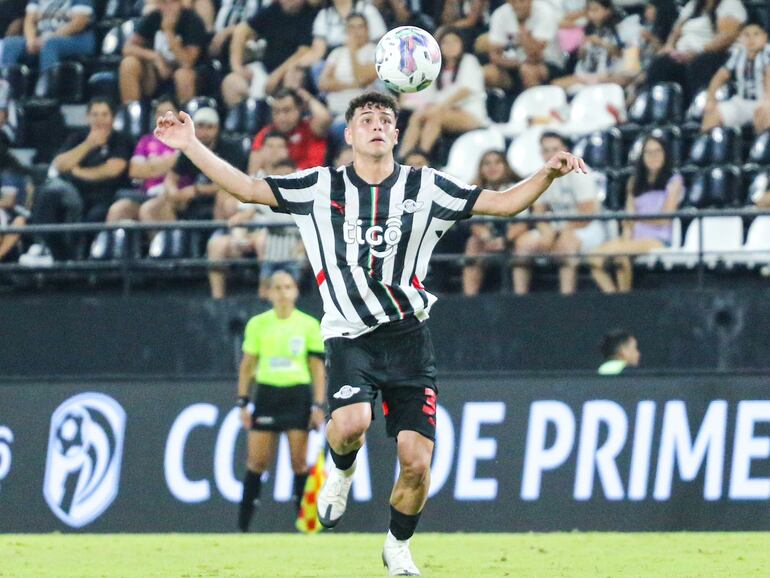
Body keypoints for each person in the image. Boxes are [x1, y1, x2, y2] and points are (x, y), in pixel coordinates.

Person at [153, 89, 587, 576]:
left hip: (409, 338)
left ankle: (397, 546)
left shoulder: (426, 187)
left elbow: (504, 204)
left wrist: (547, 174)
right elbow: (249, 189)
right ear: (350, 133)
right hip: (349, 335)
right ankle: (340, 472)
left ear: (396, 134)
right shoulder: (320, 186)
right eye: (366, 118)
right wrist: (190, 145)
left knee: (416, 461)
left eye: (384, 118)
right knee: (350, 424)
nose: (376, 124)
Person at [236, 270, 326, 531]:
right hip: (267, 394)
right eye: (278, 288)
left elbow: (317, 369)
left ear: (295, 291)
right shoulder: (258, 324)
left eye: (288, 287)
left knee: (299, 463)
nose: (283, 293)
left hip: (297, 395)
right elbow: (247, 366)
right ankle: (242, 528)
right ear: (269, 293)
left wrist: (318, 405)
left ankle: (305, 526)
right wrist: (243, 402)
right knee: (256, 463)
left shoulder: (308, 325)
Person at [30, 97, 132, 260]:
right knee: (49, 193)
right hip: (73, 191)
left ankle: (81, 260)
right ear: (87, 117)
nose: (99, 120)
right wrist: (89, 144)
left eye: (104, 114)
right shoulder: (78, 137)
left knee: (94, 215)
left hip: (106, 195)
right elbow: (59, 165)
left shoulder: (120, 140)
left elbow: (112, 170)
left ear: (113, 118)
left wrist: (78, 171)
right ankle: (43, 246)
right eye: (95, 115)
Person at [512, 131, 608, 295]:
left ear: (566, 150)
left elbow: (586, 214)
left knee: (566, 245)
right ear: (541, 153)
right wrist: (546, 232)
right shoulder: (541, 174)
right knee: (523, 244)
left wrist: (557, 233)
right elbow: (538, 212)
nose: (551, 154)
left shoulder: (579, 170)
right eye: (546, 150)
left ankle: (566, 300)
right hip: (557, 227)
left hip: (589, 228)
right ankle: (519, 299)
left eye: (555, 149)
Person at [589, 135, 683, 293]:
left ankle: (622, 299)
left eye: (657, 152)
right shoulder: (634, 182)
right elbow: (629, 217)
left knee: (617, 253)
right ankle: (617, 299)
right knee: (596, 260)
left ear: (665, 155)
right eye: (648, 152)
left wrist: (637, 218)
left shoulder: (674, 181)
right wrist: (626, 234)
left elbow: (665, 218)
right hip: (634, 237)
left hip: (658, 238)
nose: (653, 156)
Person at [208, 158, 305, 300]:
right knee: (216, 244)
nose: (284, 179)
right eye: (280, 175)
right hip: (252, 233)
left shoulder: (303, 196)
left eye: (288, 175)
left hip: (285, 242)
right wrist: (239, 231)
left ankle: (268, 293)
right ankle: (218, 299)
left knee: (262, 240)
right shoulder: (260, 190)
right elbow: (242, 215)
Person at [140, 107, 245, 225]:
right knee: (152, 208)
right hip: (194, 199)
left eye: (210, 127)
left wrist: (197, 190)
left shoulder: (231, 149)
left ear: (217, 128)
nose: (205, 132)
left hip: (221, 196)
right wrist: (174, 193)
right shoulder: (190, 148)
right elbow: (171, 177)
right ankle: (173, 235)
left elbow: (234, 183)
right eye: (200, 126)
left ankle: (218, 233)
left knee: (223, 196)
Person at [398, 27, 488, 160]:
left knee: (435, 116)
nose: (450, 46)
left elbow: (465, 91)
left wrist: (439, 107)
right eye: (446, 43)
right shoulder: (436, 68)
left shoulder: (469, 60)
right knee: (417, 116)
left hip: (470, 113)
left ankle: (422, 155)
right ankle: (403, 156)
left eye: (454, 42)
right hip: (441, 111)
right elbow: (428, 97)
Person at [645, 0, 747, 105]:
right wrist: (669, 47)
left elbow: (726, 37)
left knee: (700, 64)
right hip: (682, 53)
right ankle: (659, 107)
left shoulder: (729, 3)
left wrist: (697, 52)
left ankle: (696, 108)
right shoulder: (693, 5)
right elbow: (676, 31)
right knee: (661, 64)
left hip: (712, 53)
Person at [220, 0, 316, 107]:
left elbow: (303, 52)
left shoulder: (310, 15)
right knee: (231, 83)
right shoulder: (274, 9)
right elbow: (242, 30)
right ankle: (243, 115)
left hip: (289, 72)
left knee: (292, 80)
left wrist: (277, 75)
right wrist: (237, 66)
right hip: (264, 68)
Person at [106, 97, 181, 223]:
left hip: (173, 195)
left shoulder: (185, 141)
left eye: (169, 113)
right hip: (146, 194)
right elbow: (135, 171)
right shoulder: (146, 141)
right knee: (118, 209)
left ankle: (164, 237)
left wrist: (151, 166)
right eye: (160, 113)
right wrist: (169, 163)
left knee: (148, 210)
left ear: (178, 115)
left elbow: (180, 168)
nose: (164, 117)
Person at [119, 0, 207, 105]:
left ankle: (185, 113)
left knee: (182, 75)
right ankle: (132, 110)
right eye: (164, 2)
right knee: (128, 63)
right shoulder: (154, 17)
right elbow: (127, 48)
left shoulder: (193, 21)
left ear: (180, 3)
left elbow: (187, 63)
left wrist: (169, 32)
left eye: (173, 2)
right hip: (156, 72)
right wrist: (155, 57)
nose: (169, 6)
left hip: (187, 73)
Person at [462, 150, 526, 296]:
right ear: (481, 169)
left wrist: (505, 239)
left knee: (524, 242)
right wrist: (487, 238)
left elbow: (523, 223)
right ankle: (469, 299)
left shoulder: (518, 188)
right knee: (473, 243)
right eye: (487, 163)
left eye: (497, 162)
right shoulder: (475, 192)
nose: (492, 167)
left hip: (513, 238)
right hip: (487, 241)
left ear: (506, 166)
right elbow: (475, 224)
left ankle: (520, 296)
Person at [701, 22, 770, 133]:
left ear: (764, 37)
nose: (751, 39)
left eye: (756, 34)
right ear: (740, 38)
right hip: (741, 101)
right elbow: (721, 76)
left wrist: (767, 100)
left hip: (764, 100)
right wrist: (710, 99)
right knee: (712, 114)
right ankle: (710, 143)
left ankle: (761, 143)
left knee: (765, 112)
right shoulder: (738, 53)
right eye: (746, 35)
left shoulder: (767, 52)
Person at [483, 0, 564, 93]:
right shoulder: (500, 14)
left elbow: (535, 55)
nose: (519, 5)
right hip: (514, 64)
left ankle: (535, 101)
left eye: (522, 1)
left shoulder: (545, 12)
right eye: (514, 2)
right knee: (487, 73)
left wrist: (522, 29)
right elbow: (494, 56)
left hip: (548, 63)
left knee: (528, 71)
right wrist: (516, 64)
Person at [248, 88, 331, 175]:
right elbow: (253, 173)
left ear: (299, 109)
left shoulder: (310, 128)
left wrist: (308, 99)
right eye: (276, 112)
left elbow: (324, 118)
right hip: (276, 179)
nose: (282, 117)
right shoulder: (266, 133)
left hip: (310, 180)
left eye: (287, 110)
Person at [0, 0, 95, 73]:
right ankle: (6, 86)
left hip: (77, 39)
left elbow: (79, 23)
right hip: (42, 38)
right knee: (10, 44)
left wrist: (48, 38)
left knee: (50, 45)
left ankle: (47, 87)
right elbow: (29, 20)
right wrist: (30, 40)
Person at [551, 0, 625, 93]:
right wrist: (582, 49)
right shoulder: (587, 29)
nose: (591, 14)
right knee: (554, 85)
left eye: (595, 10)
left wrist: (601, 43)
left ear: (607, 11)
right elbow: (580, 57)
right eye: (589, 10)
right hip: (584, 73)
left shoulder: (617, 29)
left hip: (604, 74)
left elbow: (620, 54)